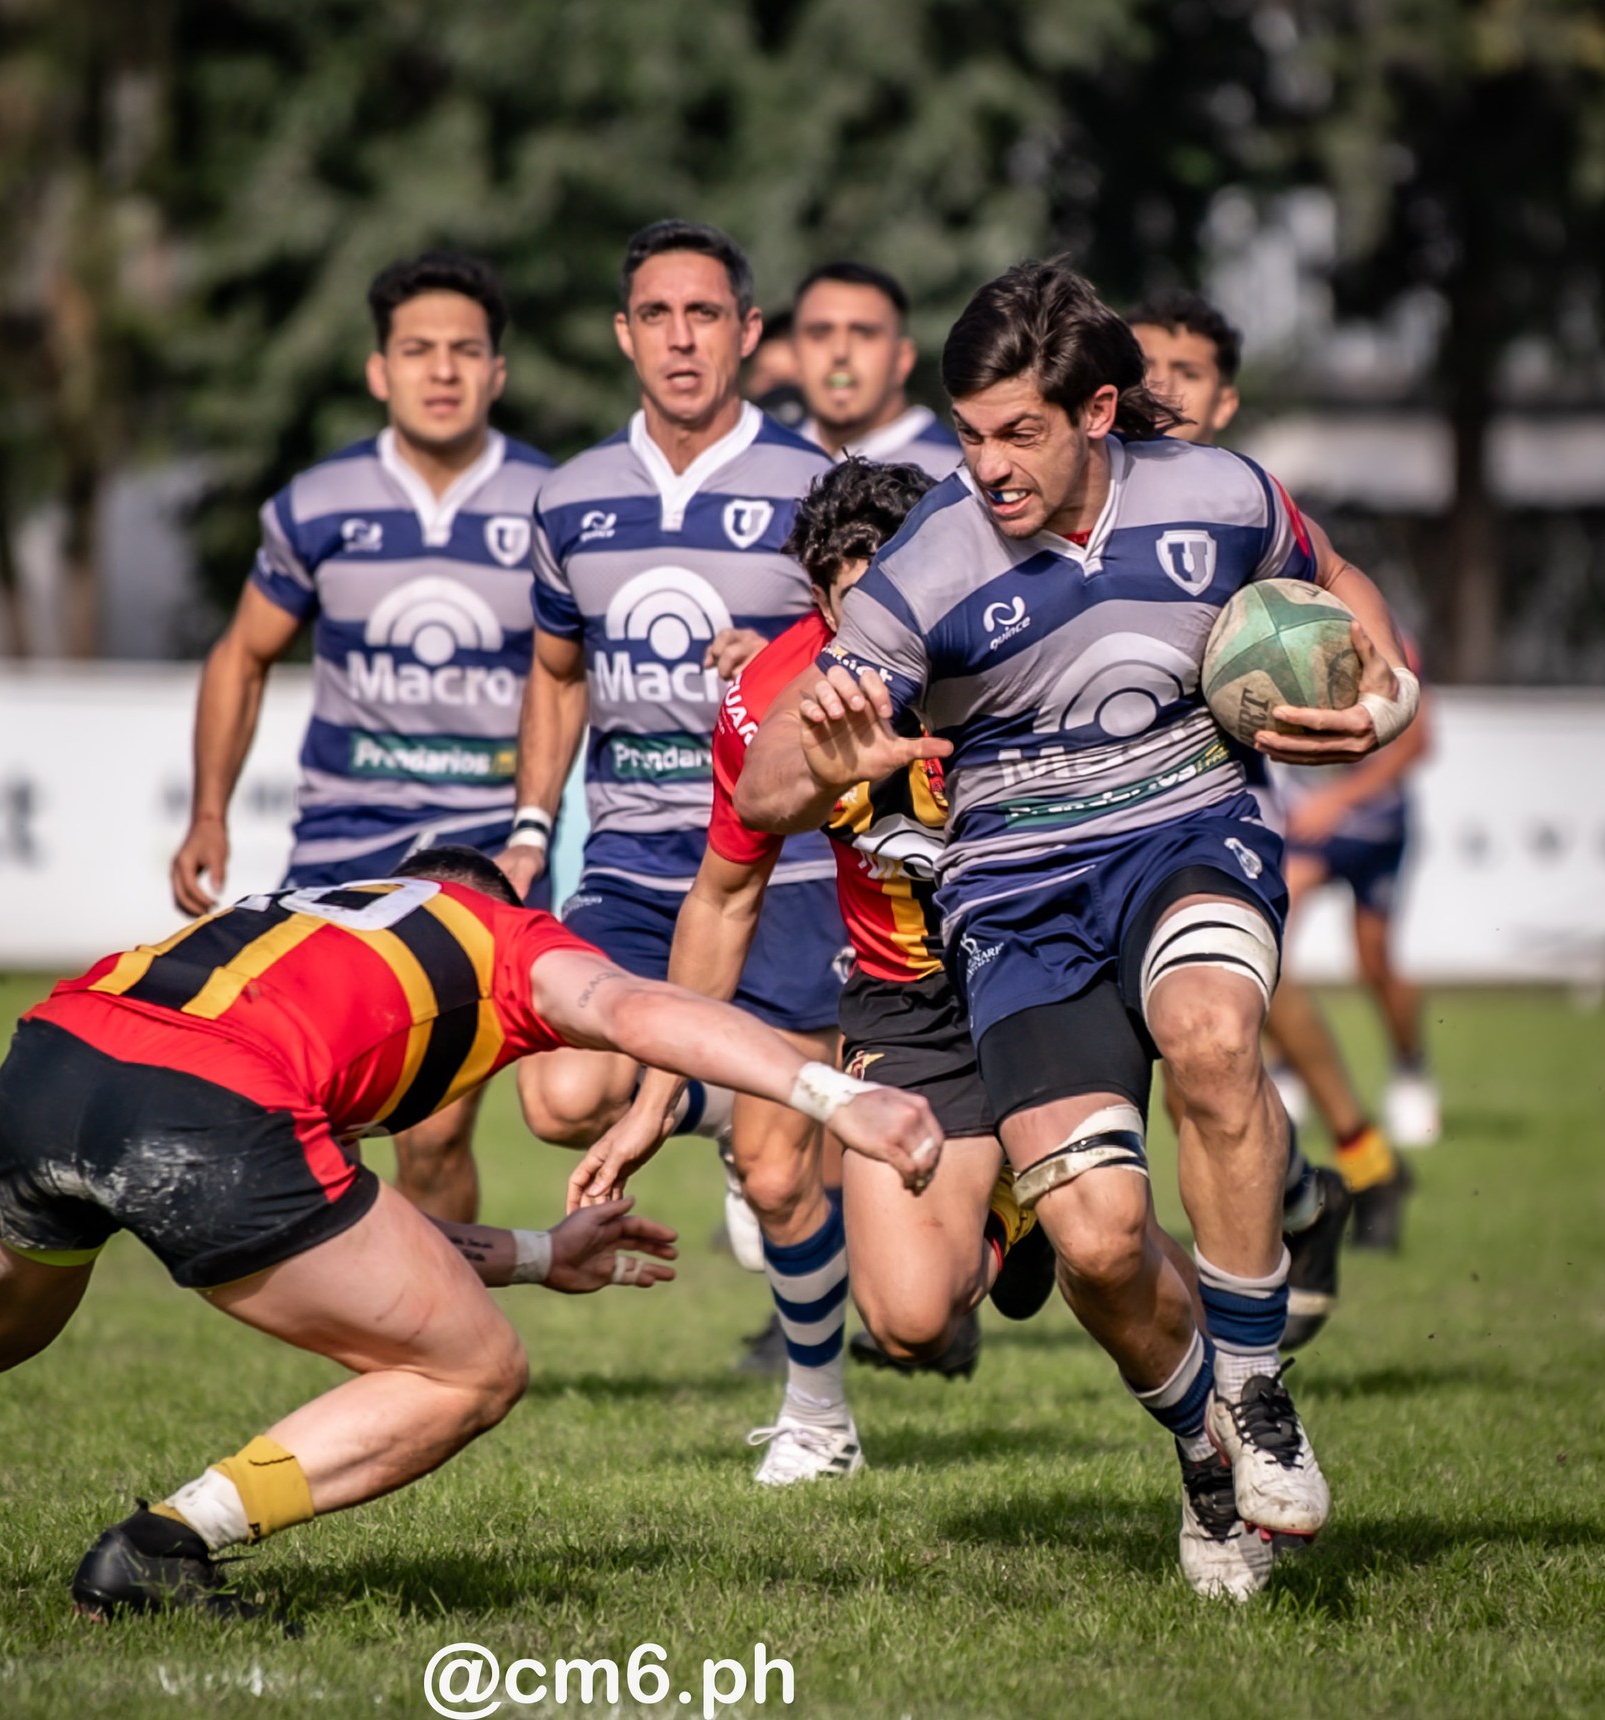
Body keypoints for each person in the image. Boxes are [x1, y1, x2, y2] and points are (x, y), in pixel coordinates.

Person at [0, 847, 943, 1616]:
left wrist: (536, 1253)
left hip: (58, 1055)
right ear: (490, 894)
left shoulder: (305, 918)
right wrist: (837, 1099)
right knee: (471, 1370)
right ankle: (161, 1553)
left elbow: (335, 1223)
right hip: (209, 1107)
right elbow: (651, 1014)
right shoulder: (500, 939)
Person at [739, 260, 1423, 1599]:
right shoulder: (926, 562)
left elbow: (1335, 578)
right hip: (1017, 897)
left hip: (1187, 833)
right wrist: (822, 746)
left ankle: (1261, 1390)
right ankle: (1205, 1460)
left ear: (1100, 410)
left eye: (1019, 433)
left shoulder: (1219, 496)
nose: (986, 467)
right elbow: (766, 793)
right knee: (1101, 1239)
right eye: (967, 433)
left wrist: (1384, 695)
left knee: (1215, 1034)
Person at [569, 459, 1061, 1462]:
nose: (879, 630)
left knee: (1107, 1241)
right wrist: (653, 1100)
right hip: (903, 991)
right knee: (910, 1319)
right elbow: (720, 894)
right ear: (815, 597)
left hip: (1040, 963)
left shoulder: (1021, 646)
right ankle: (995, 1230)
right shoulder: (769, 699)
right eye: (851, 607)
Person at [492, 221, 852, 1478]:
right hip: (636, 859)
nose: (682, 337)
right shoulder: (570, 495)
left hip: (788, 868)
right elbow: (552, 673)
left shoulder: (815, 480)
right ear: (623, 335)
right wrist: (534, 828)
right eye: (657, 315)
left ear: (749, 334)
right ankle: (703, 1086)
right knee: (557, 1092)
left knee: (777, 1170)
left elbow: (881, 651)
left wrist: (787, 666)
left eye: (706, 314)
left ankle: (818, 1414)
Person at [168, 252, 551, 1223]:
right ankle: (376, 1332)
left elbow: (575, 674)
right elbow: (240, 655)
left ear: (496, 373)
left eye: (465, 351)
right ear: (378, 370)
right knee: (319, 1115)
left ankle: (449, 1339)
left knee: (433, 1131)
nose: (441, 370)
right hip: (340, 844)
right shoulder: (318, 505)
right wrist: (207, 810)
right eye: (416, 350)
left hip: (477, 853)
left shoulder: (550, 505)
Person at [1130, 289, 1423, 1259]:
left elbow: (1358, 630)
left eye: (1185, 373)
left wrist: (1379, 700)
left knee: (1214, 1035)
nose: (1160, 386)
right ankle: (1337, 1168)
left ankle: (1343, 1161)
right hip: (1107, 809)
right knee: (1201, 1056)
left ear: (1223, 402)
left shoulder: (1242, 513)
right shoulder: (1094, 499)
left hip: (1223, 799)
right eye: (1144, 367)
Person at [790, 262, 963, 479]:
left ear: (903, 359)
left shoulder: (957, 472)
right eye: (819, 333)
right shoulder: (761, 461)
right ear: (794, 355)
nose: (840, 352)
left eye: (864, 334)